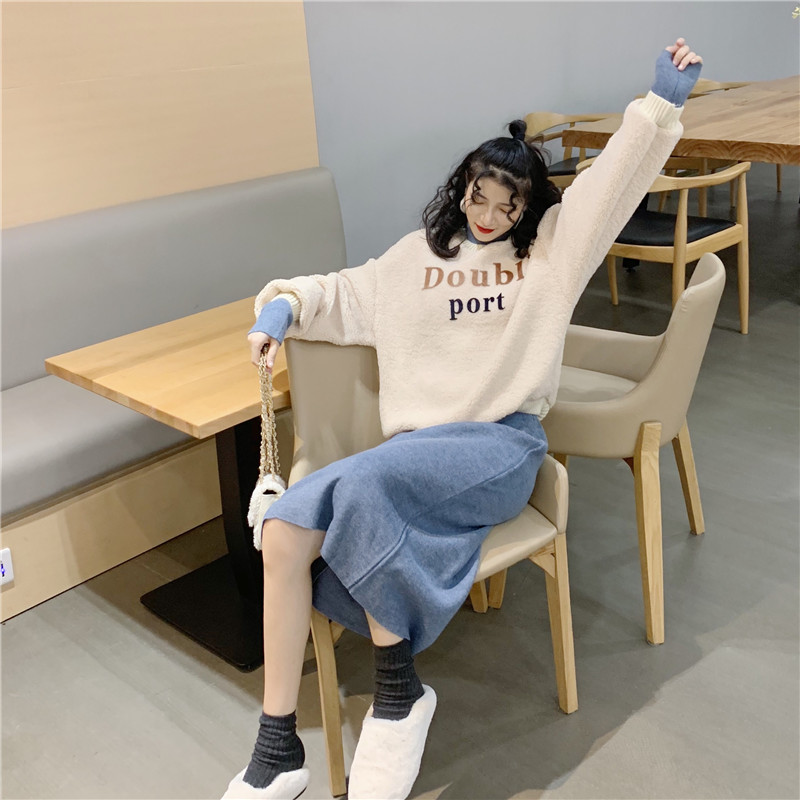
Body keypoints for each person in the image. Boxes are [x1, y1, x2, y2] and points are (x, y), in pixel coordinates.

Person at [223, 37, 703, 800]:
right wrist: (282, 307)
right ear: (461, 190)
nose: (489, 216)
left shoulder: (550, 255)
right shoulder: (411, 259)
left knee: (363, 487)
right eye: (479, 198)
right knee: (282, 530)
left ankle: (398, 692)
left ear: (527, 208)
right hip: (414, 457)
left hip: (499, 448)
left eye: (508, 205)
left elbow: (611, 187)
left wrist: (658, 106)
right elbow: (339, 293)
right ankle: (276, 748)